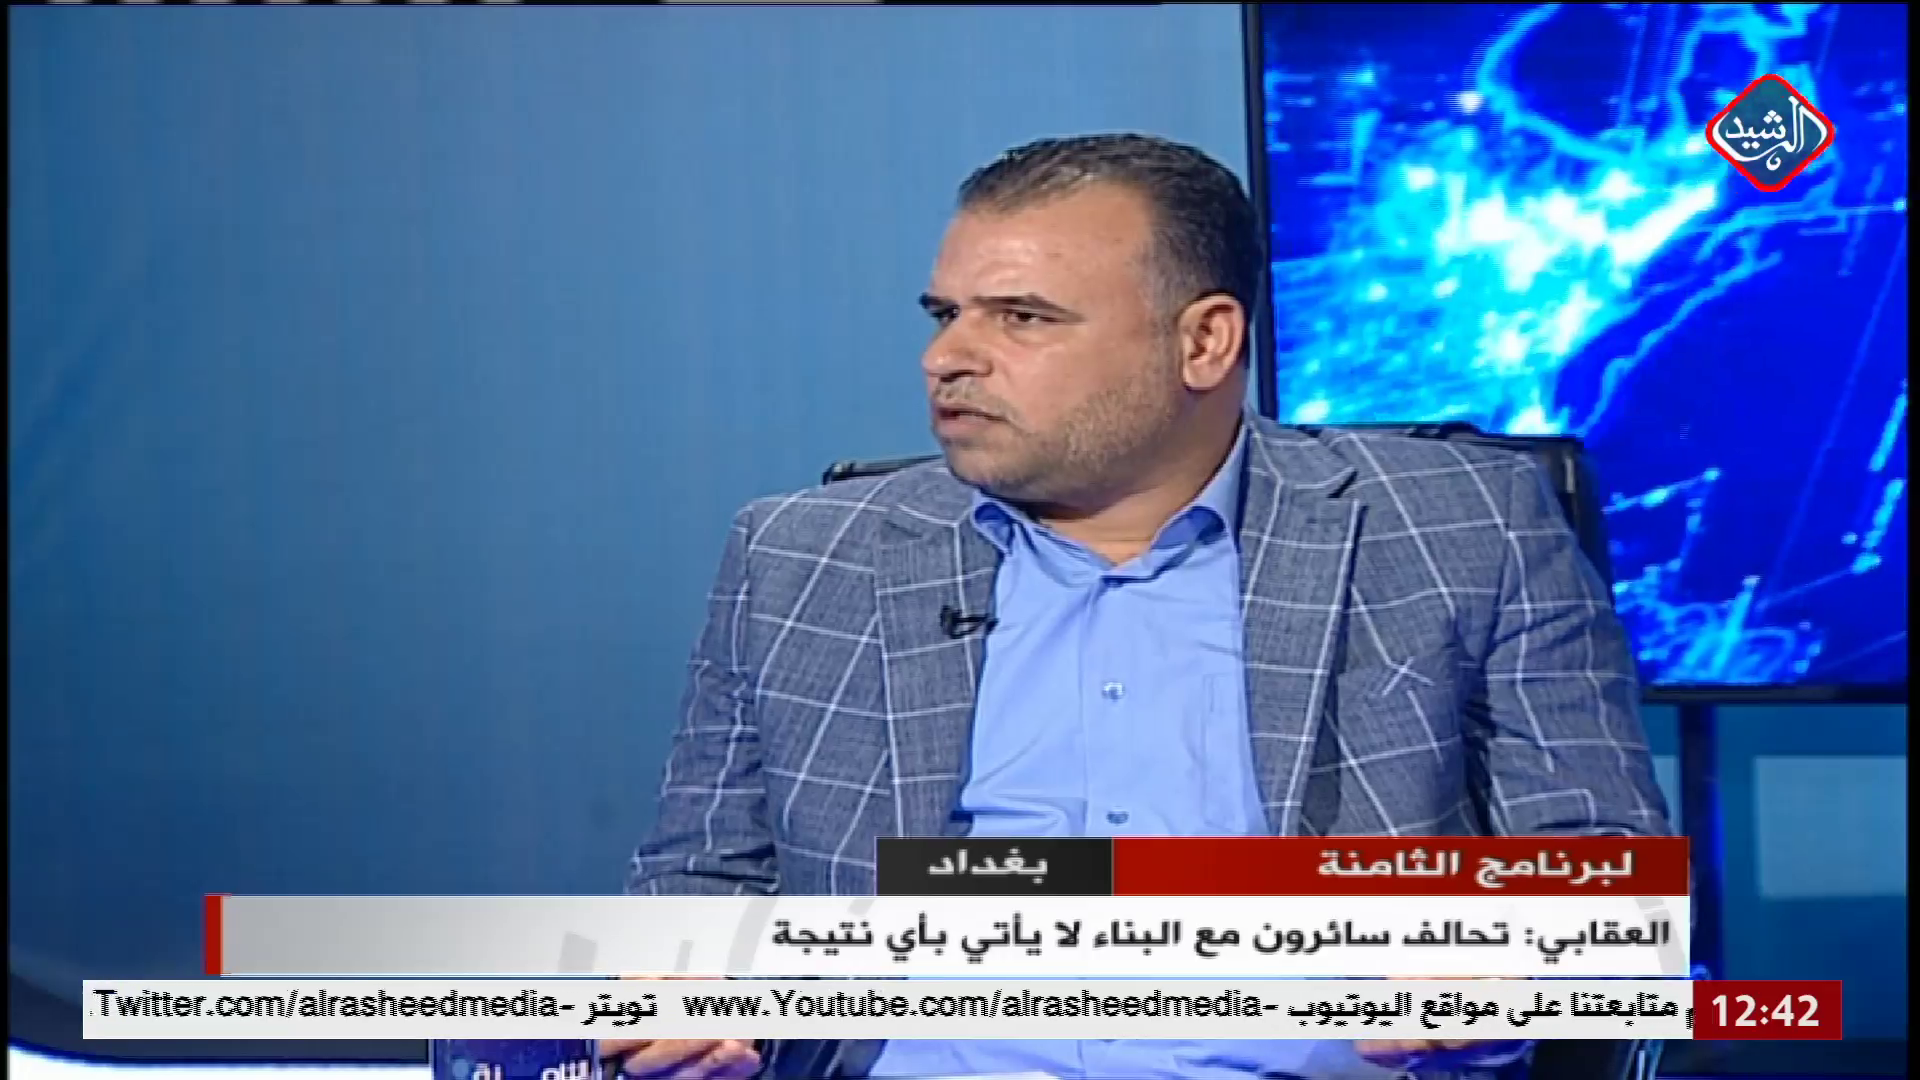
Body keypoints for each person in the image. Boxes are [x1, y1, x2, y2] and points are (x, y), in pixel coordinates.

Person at [606, 133, 1671, 1080]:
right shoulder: (800, 557)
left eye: (1023, 317)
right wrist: (686, 999)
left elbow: (1606, 875)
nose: (947, 358)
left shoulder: (1459, 526)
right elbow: (702, 876)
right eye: (946, 315)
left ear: (1204, 342)